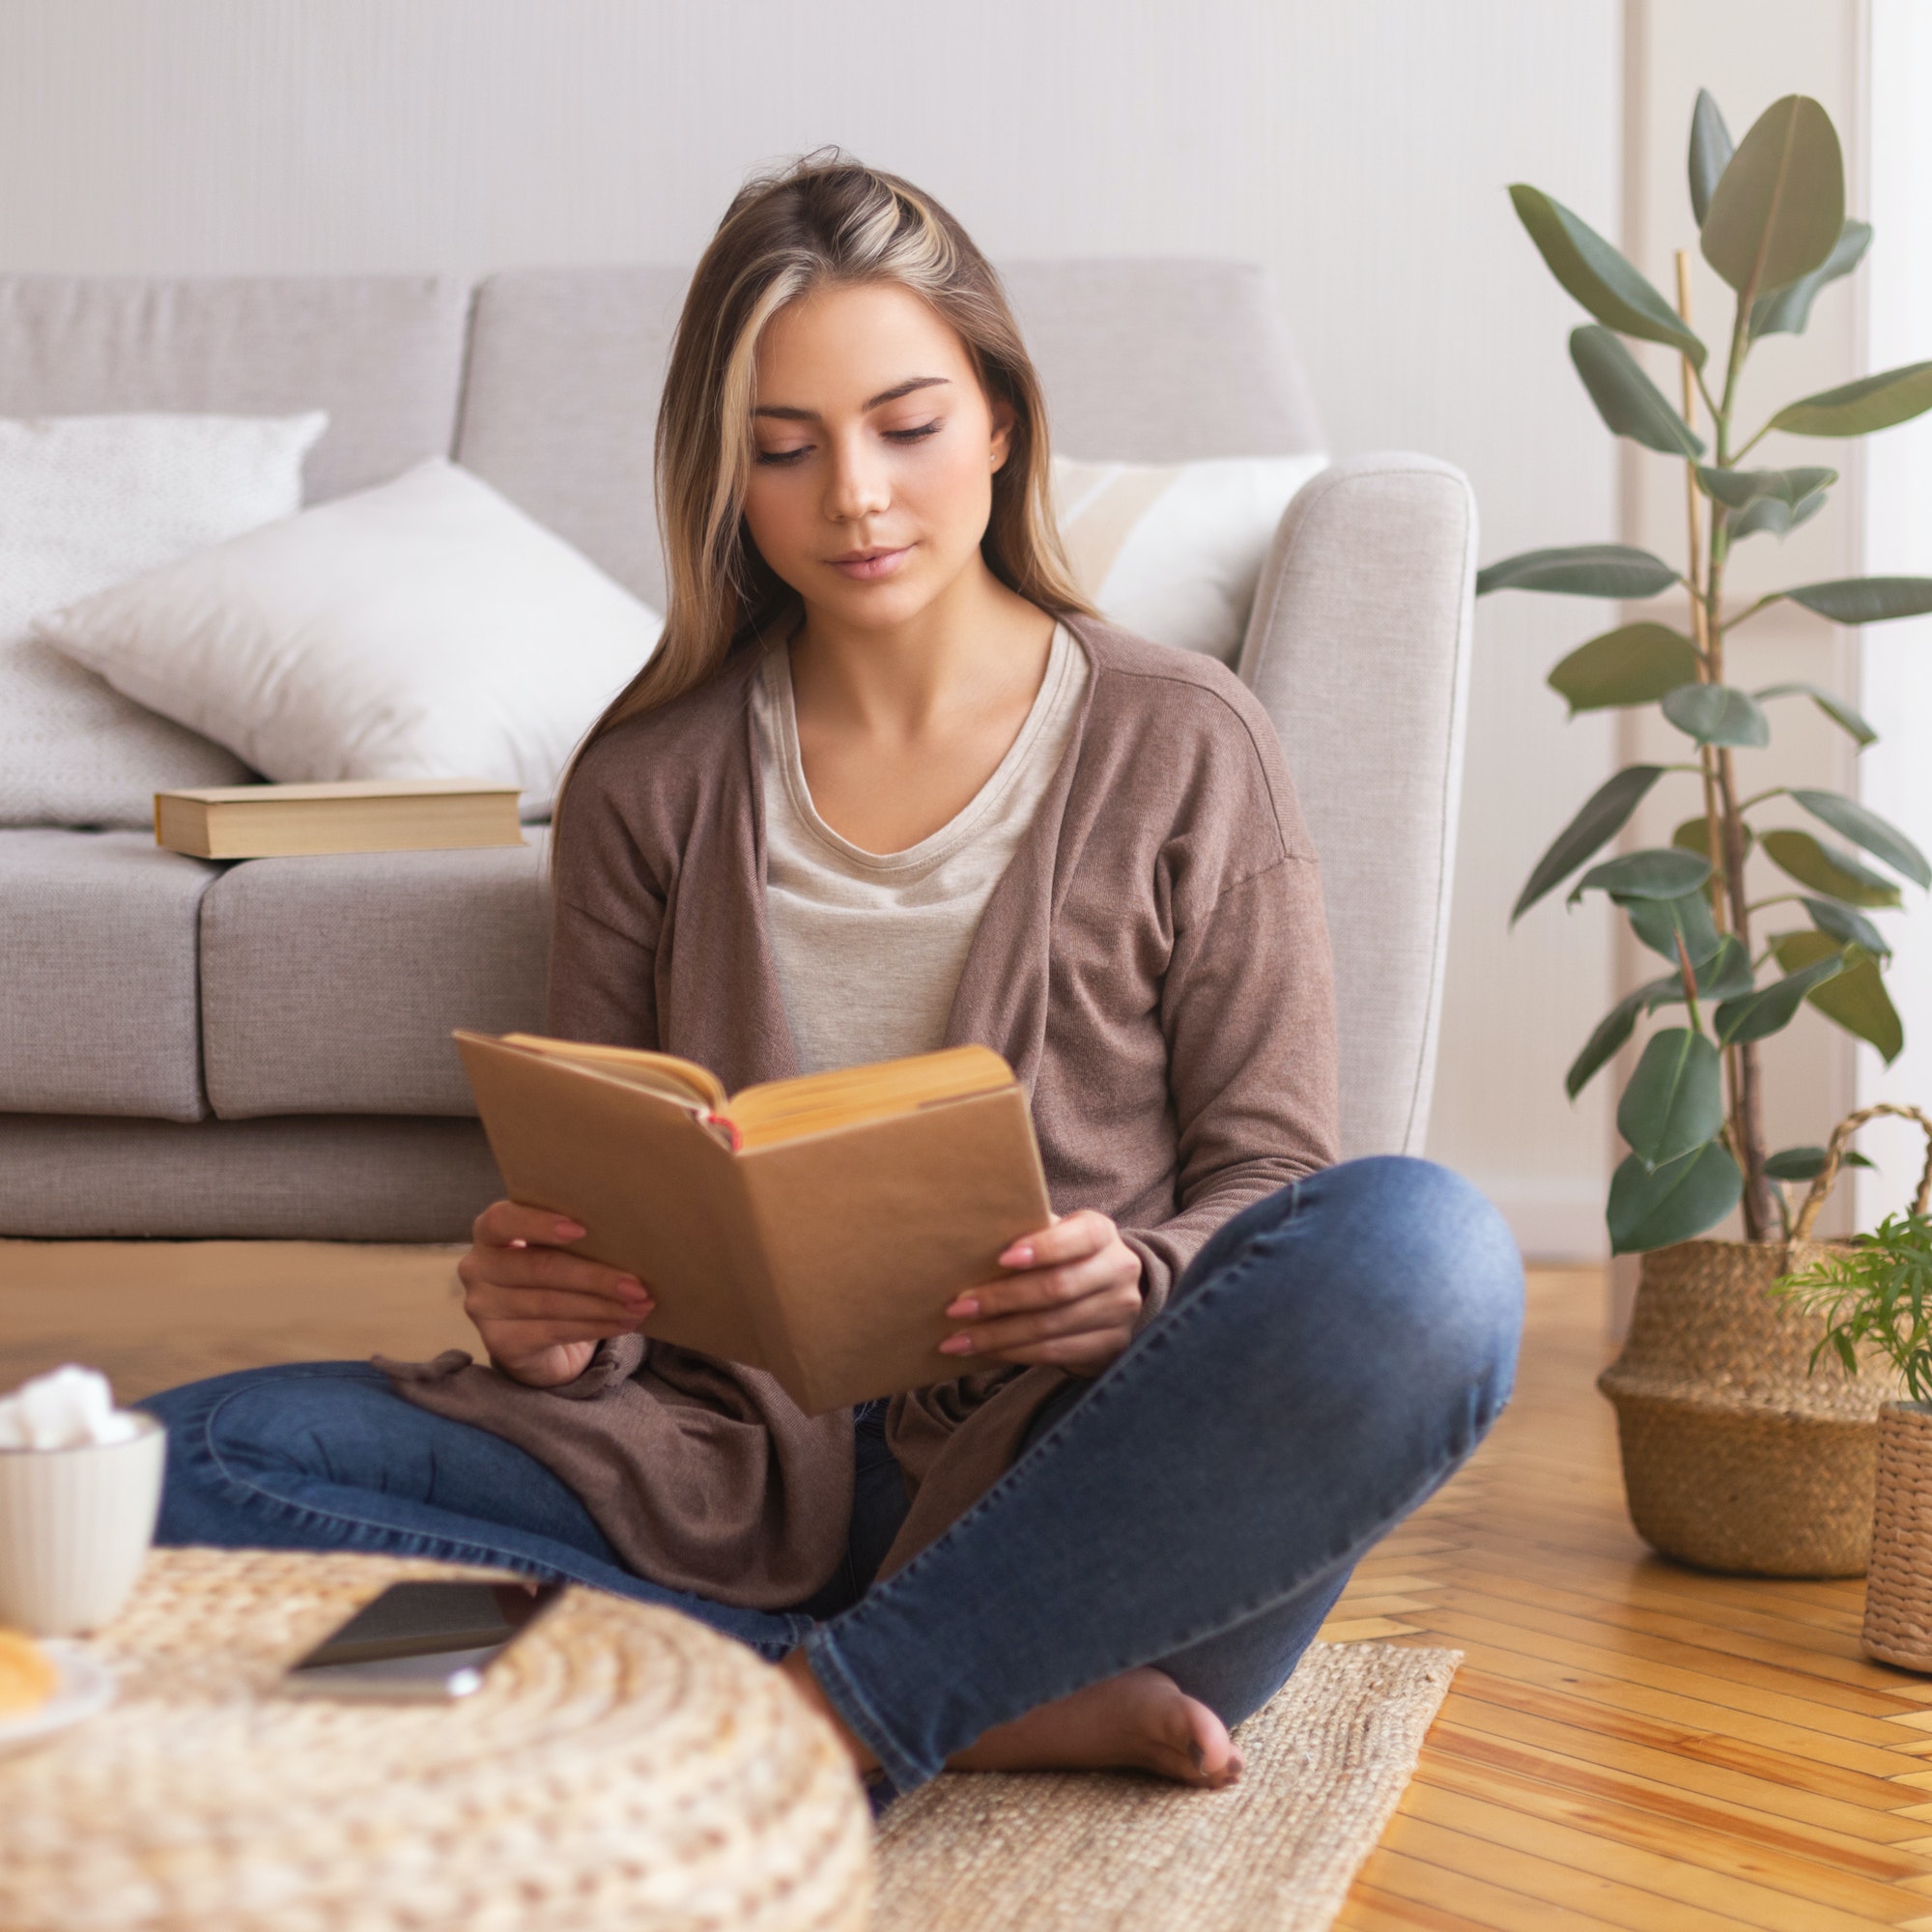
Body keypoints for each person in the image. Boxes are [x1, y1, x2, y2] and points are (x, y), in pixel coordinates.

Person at [145, 156, 1522, 1800]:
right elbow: (607, 1204)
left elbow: (1271, 1177)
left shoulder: (1186, 743)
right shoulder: (648, 782)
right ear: (725, 482)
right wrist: (544, 1323)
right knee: (147, 1470)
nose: (854, 496)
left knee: (1427, 1254)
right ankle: (939, 1693)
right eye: (783, 452)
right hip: (710, 1467)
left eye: (906, 427)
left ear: (1003, 422)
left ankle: (815, 1716)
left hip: (1081, 1491)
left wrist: (1139, 1280)